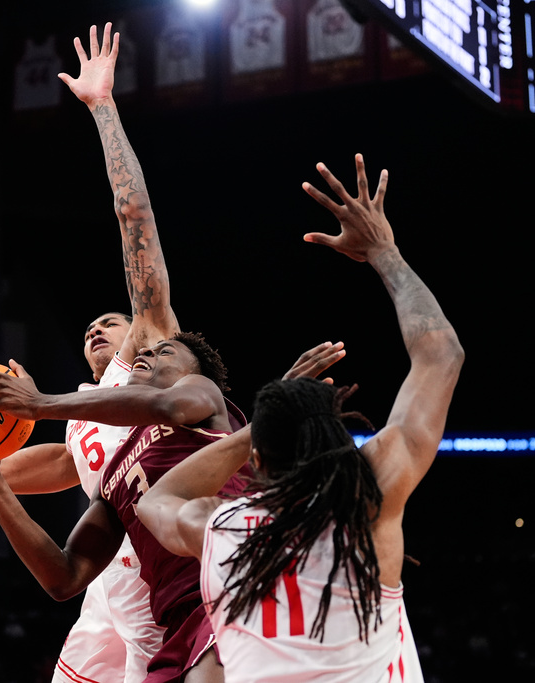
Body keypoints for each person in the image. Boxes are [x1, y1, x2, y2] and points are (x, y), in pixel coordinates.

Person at [0, 22, 187, 683]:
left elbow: (136, 225)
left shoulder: (158, 369)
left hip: (174, 585)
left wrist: (103, 109)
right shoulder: (75, 425)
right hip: (109, 594)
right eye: (89, 329)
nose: (98, 329)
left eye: (114, 320)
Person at [136, 154, 465, 682]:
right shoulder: (368, 502)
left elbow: (156, 501)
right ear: (336, 442)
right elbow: (441, 353)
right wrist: (384, 251)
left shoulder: (217, 527)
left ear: (259, 457)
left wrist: (248, 433)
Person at [0, 332, 344, 683]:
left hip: (237, 583)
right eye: (147, 351)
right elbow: (64, 577)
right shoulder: (114, 475)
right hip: (177, 623)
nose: (148, 354)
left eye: (165, 352)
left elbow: (166, 407)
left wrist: (40, 405)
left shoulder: (201, 394)